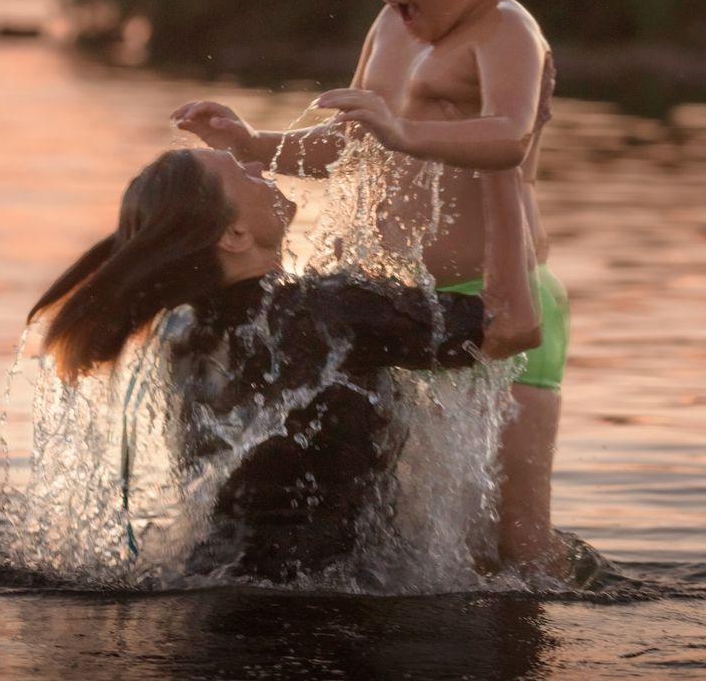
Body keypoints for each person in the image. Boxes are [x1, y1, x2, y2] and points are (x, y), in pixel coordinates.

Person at [172, 0, 569, 575]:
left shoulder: (508, 31)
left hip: (498, 305)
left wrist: (404, 133)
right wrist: (254, 142)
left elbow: (509, 136)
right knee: (414, 536)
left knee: (516, 540)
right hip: (408, 310)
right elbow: (352, 141)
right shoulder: (390, 26)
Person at [27, 147, 538, 582]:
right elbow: (513, 325)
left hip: (217, 586)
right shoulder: (329, 310)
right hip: (324, 603)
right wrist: (505, 173)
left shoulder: (187, 331)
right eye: (244, 173)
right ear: (234, 235)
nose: (262, 170)